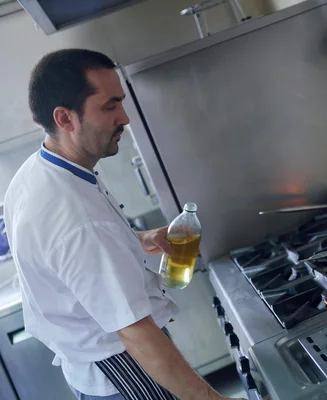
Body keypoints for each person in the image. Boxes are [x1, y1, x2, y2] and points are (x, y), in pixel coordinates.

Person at [3, 49, 245, 400]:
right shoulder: (78, 219)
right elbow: (136, 332)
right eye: (109, 106)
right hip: (125, 371)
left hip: (92, 365)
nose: (125, 118)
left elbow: (69, 255)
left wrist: (135, 239)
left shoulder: (40, 170)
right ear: (65, 118)